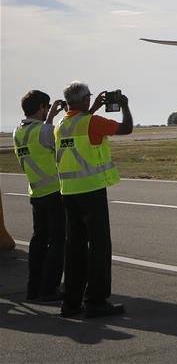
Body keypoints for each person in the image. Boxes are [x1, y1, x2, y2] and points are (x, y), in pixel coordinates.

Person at [55, 81, 132, 318]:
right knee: (99, 247)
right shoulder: (92, 122)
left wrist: (92, 108)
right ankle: (96, 300)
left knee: (74, 247)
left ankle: (71, 302)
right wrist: (125, 106)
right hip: (91, 190)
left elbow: (80, 124)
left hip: (68, 192)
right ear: (85, 99)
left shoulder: (61, 124)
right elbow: (126, 128)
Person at [13, 90, 67, 302]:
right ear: (42, 107)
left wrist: (50, 117)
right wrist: (55, 119)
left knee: (38, 241)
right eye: (47, 107)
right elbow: (57, 142)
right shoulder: (45, 131)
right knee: (57, 243)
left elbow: (40, 143)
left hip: (36, 191)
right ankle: (49, 289)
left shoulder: (18, 132)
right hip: (54, 191)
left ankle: (33, 288)